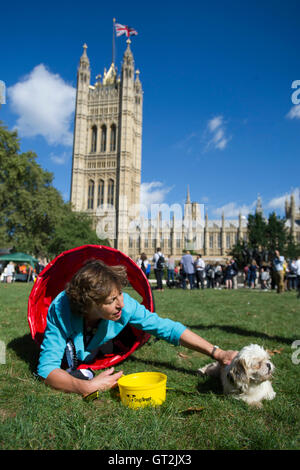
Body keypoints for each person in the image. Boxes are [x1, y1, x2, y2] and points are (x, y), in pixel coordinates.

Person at [37, 259, 237, 396]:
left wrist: (216, 352)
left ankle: (103, 345)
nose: (121, 304)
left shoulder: (126, 306)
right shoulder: (61, 310)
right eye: (112, 300)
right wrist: (86, 387)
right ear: (90, 303)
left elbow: (167, 328)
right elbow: (46, 369)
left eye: (120, 294)